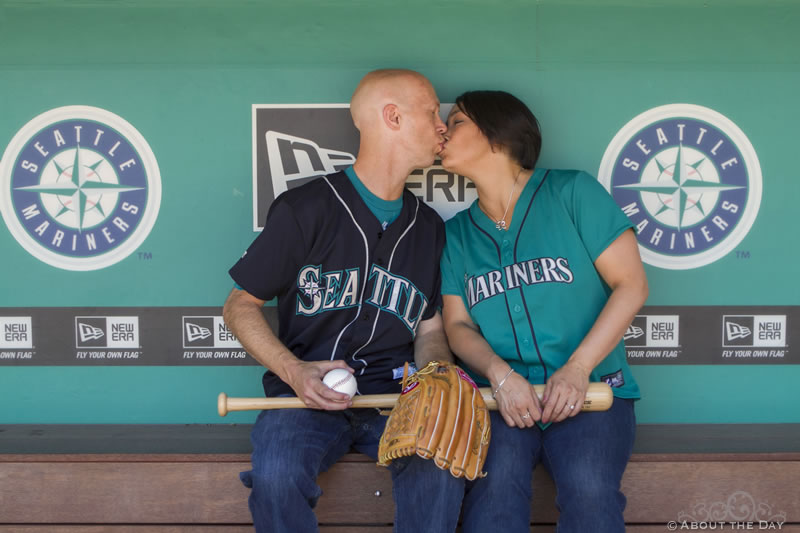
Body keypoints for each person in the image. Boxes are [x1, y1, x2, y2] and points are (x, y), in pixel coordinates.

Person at [222, 69, 464, 533]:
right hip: (304, 398)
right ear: (392, 117)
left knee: (440, 467)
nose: (442, 125)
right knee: (276, 475)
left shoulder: (429, 227)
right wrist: (293, 371)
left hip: (395, 399)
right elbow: (239, 305)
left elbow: (430, 328)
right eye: (432, 111)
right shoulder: (306, 209)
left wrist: (433, 379)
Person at [438, 90, 648, 533]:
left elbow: (630, 284)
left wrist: (578, 368)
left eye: (456, 122)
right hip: (501, 400)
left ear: (495, 134)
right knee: (492, 501)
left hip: (591, 393)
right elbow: (456, 325)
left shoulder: (572, 191)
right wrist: (499, 373)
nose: (442, 130)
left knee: (591, 494)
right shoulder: (456, 234)